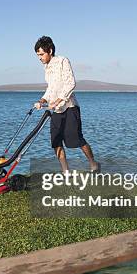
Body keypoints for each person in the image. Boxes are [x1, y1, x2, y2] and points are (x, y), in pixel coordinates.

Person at [32, 36, 100, 173]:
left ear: (50, 51)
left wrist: (58, 100)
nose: (39, 58)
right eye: (37, 55)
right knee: (56, 140)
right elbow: (50, 88)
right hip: (56, 110)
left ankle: (93, 164)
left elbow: (71, 83)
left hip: (70, 107)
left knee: (75, 139)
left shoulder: (63, 61)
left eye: (41, 54)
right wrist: (42, 100)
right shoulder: (47, 68)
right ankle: (65, 171)